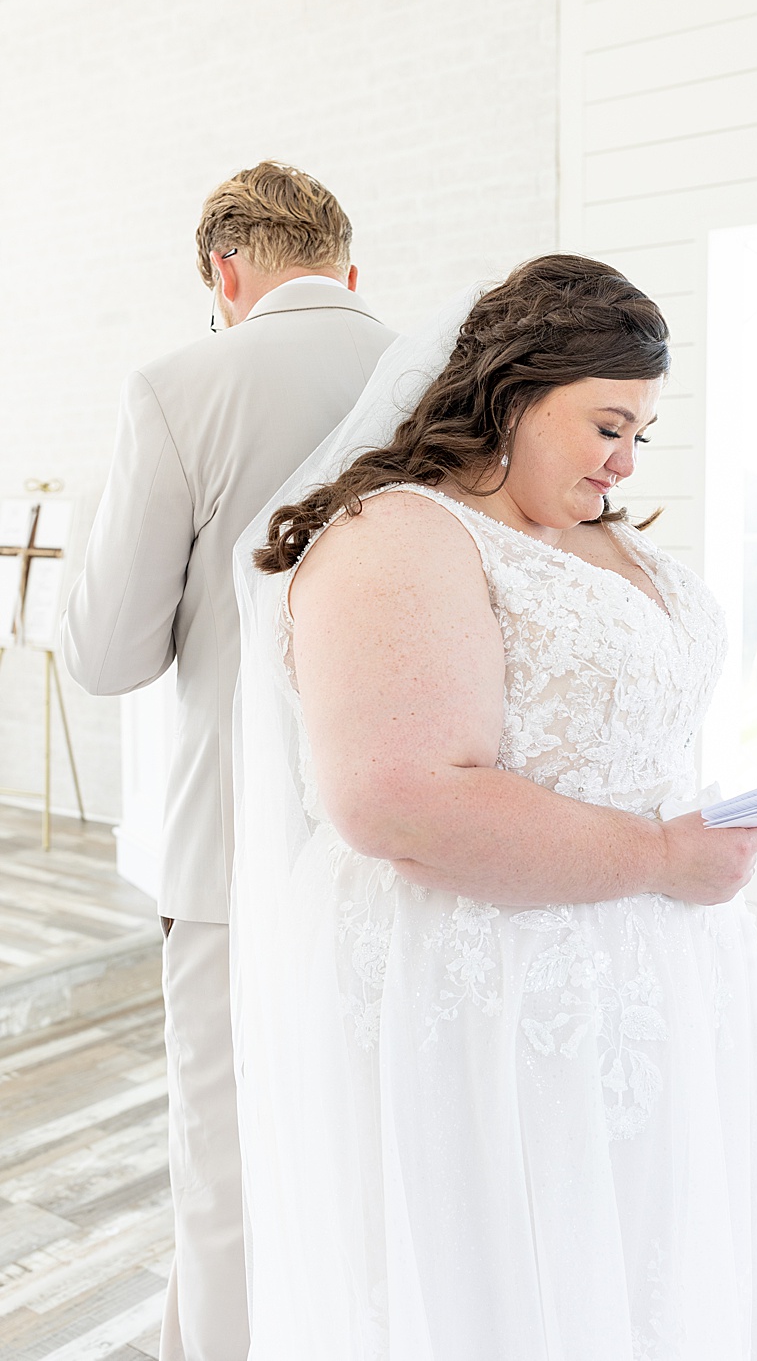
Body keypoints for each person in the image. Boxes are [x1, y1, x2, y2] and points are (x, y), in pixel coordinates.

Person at [227, 255, 757, 1359]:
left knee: (642, 1264)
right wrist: (663, 854)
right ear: (514, 393)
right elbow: (398, 799)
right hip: (486, 983)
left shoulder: (597, 532)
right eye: (607, 424)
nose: (624, 461)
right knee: (513, 1280)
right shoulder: (399, 535)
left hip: (649, 971)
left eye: (642, 434)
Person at [61, 161, 393, 1361]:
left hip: (234, 847)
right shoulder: (443, 377)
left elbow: (105, 652)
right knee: (367, 1145)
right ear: (349, 271)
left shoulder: (177, 385)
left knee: (229, 1162)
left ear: (225, 273)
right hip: (402, 841)